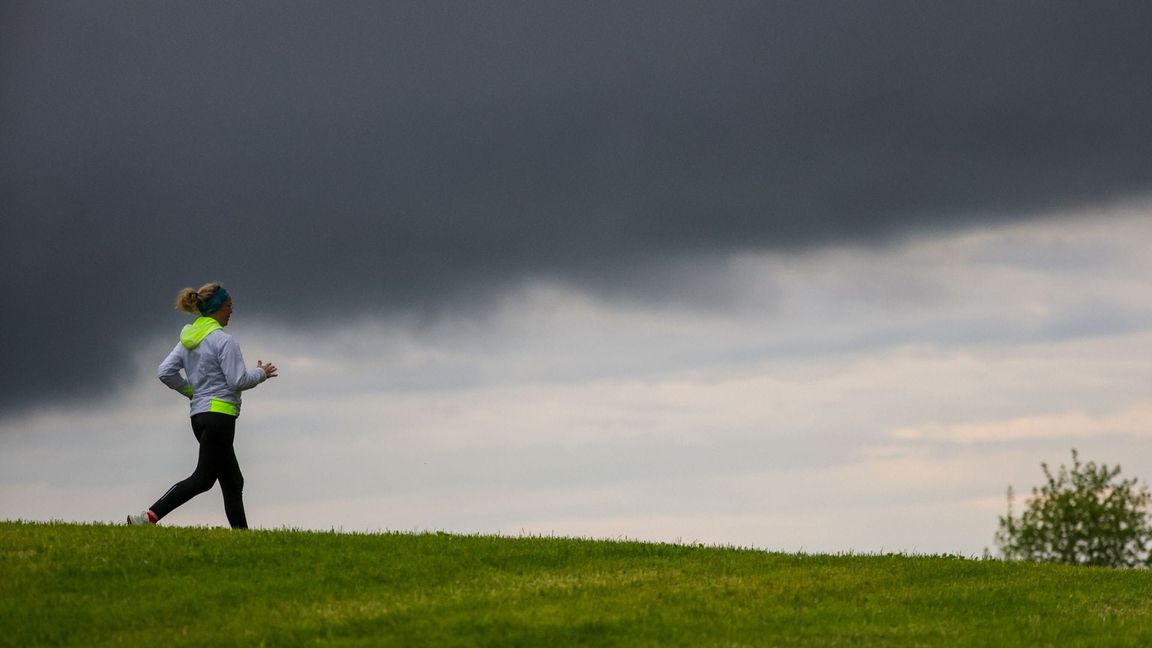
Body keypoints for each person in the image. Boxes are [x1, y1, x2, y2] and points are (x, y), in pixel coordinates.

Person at [128, 283, 278, 528]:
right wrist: (261, 373)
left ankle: (242, 536)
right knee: (203, 479)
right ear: (219, 307)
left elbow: (165, 372)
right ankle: (147, 518)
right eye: (229, 306)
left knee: (233, 480)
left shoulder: (188, 339)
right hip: (220, 417)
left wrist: (191, 392)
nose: (232, 311)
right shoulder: (224, 341)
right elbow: (237, 380)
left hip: (199, 417)